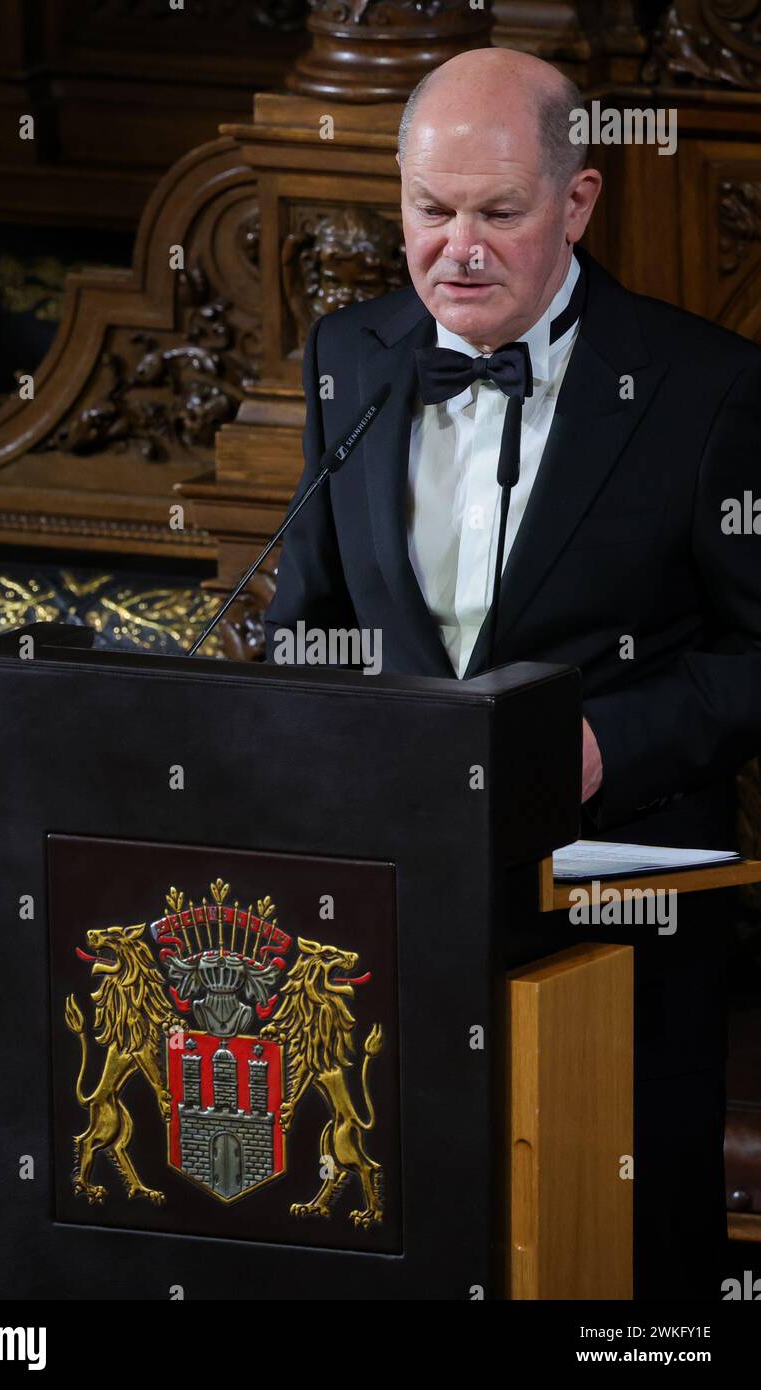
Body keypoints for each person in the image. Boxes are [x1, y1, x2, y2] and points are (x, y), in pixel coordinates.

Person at [263, 47, 761, 1299]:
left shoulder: (706, 389)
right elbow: (306, 620)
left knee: (618, 1264)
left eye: (497, 212)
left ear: (576, 201)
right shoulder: (349, 356)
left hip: (614, 922)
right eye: (430, 210)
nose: (456, 249)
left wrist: (606, 746)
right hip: (387, 919)